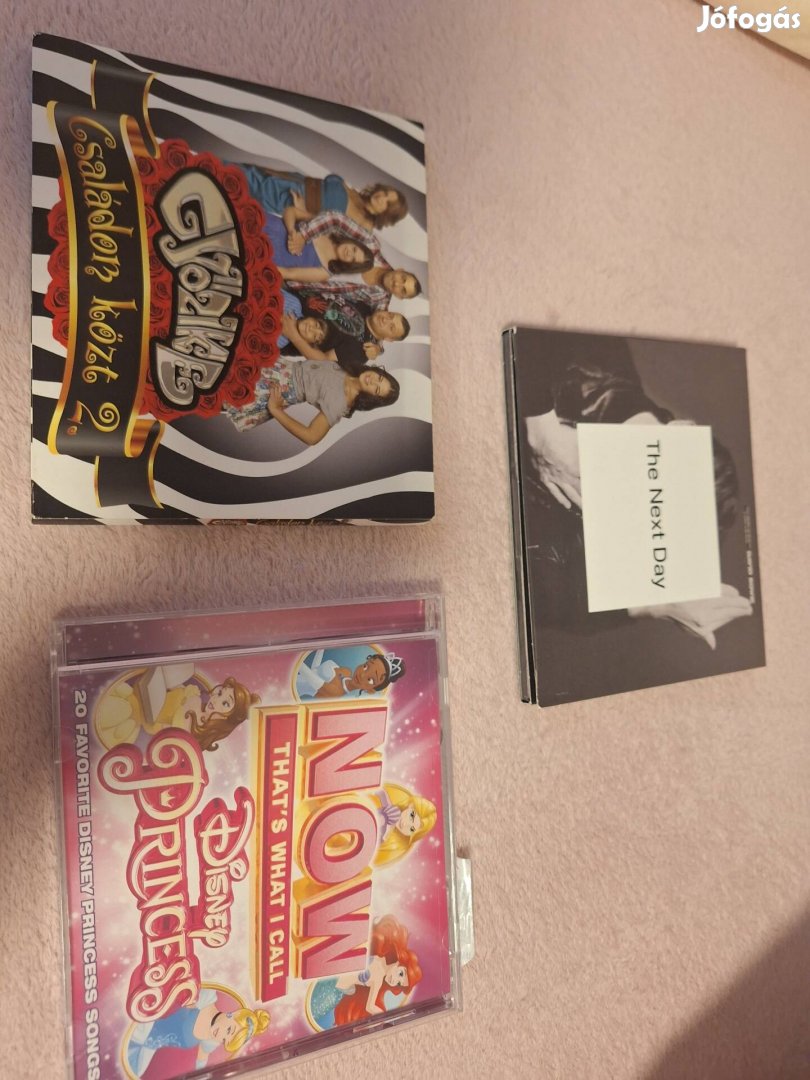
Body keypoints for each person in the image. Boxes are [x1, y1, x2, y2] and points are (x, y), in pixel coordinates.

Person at [521, 343, 752, 646]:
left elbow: (544, 599)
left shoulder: (602, 532)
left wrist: (651, 607)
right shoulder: (600, 354)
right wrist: (539, 424)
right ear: (682, 428)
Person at [222, 357, 399, 442]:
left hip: (272, 387)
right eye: (380, 378)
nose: (373, 381)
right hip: (278, 365)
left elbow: (312, 437)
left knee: (218, 388)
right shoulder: (349, 369)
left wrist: (276, 410)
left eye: (376, 389)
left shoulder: (341, 402)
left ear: (372, 398)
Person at [307, 915, 421, 1030]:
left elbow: (370, 1007)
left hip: (334, 991)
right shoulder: (378, 951)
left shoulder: (378, 980)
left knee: (315, 1008)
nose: (395, 981)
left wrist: (388, 1018)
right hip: (330, 976)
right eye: (401, 974)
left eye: (399, 983)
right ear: (399, 961)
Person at [126, 987, 270, 1076]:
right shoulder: (205, 996)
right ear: (232, 1014)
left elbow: (202, 1061)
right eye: (229, 1030)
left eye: (225, 1040)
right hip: (141, 1023)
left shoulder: (212, 1040)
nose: (221, 1036)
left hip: (144, 1051)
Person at [240, 164, 407, 235]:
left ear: (387, 214)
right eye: (386, 193)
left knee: (239, 180)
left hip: (288, 201)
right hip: (293, 182)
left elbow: (326, 236)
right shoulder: (359, 197)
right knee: (246, 171)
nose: (381, 197)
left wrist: (303, 214)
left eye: (387, 202)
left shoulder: (364, 229)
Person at [282, 301, 409, 367]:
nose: (386, 320)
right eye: (390, 315)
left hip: (285, 330)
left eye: (391, 327)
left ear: (389, 338)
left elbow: (323, 360)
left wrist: (294, 336)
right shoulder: (366, 306)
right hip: (288, 298)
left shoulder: (362, 352)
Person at [262, 213, 374, 282]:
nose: (349, 253)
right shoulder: (328, 228)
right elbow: (291, 212)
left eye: (353, 259)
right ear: (353, 243)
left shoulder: (325, 272)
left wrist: (260, 266)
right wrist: (291, 231)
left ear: (349, 266)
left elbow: (289, 273)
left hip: (265, 253)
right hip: (267, 224)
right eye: (354, 249)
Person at [285, 267, 422, 312]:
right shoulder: (374, 250)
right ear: (400, 270)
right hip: (302, 256)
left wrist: (377, 349)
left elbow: (380, 333)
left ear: (399, 297)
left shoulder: (380, 301)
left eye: (403, 290)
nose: (397, 283)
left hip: (297, 284)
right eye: (403, 278)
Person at [371, 783, 437, 868]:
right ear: (410, 805)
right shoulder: (390, 805)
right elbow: (379, 791)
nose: (405, 824)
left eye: (412, 828)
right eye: (411, 816)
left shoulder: (392, 843)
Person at [295, 649, 405, 699]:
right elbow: (315, 670)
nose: (362, 675)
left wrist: (294, 655)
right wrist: (320, 647)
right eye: (366, 666)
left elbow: (304, 671)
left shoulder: (335, 692)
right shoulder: (346, 671)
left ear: (371, 690)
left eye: (370, 680)